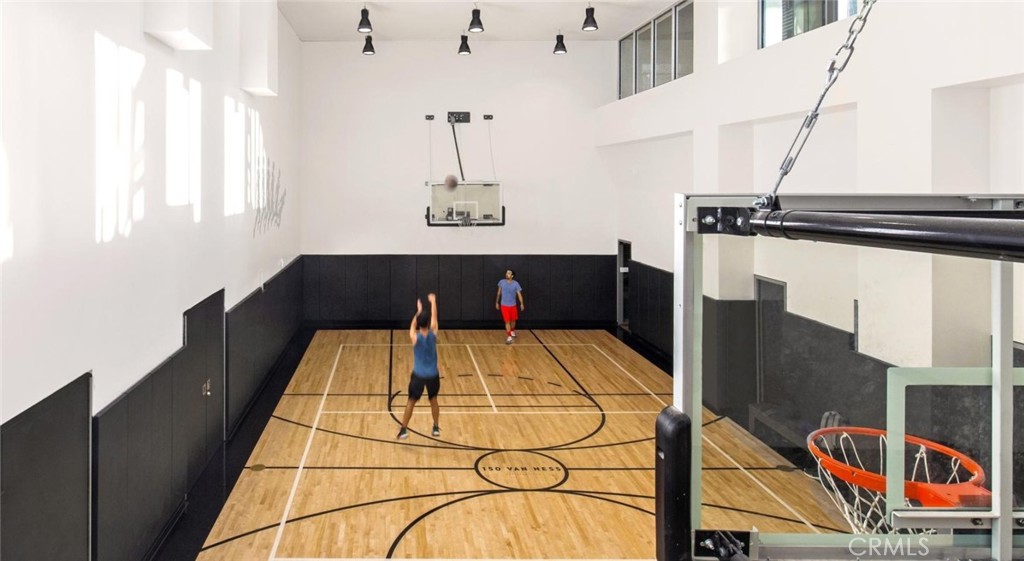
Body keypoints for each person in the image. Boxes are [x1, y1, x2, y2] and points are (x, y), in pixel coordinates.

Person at [397, 293, 441, 439]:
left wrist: (418, 311)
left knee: (411, 401)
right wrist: (433, 302)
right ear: (428, 324)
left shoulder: (414, 338)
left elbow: (412, 325)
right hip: (433, 375)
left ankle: (403, 429)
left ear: (418, 323)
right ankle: (435, 427)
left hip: (418, 375)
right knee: (433, 400)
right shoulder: (433, 334)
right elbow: (435, 318)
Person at [495, 269, 525, 344]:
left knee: (513, 320)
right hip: (504, 305)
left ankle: (512, 331)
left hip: (513, 305)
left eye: (508, 273)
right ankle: (509, 337)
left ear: (512, 276)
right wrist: (497, 302)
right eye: (506, 273)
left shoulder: (516, 284)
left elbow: (519, 294)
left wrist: (521, 303)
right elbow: (499, 293)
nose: (506, 274)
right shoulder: (501, 282)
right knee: (507, 321)